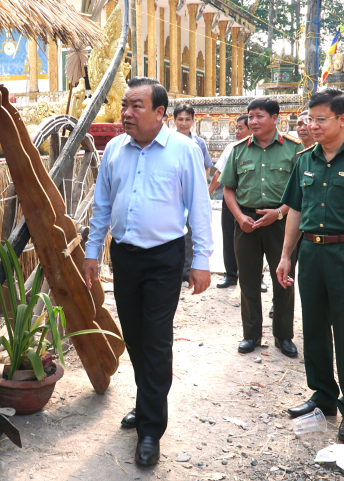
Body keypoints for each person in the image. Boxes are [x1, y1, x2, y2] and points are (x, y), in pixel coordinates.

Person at [82, 77, 213, 467]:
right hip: (124, 256)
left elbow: (200, 208)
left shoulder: (184, 150)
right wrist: (93, 251)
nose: (126, 113)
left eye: (136, 106)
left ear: (160, 113)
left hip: (163, 258)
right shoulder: (115, 152)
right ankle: (146, 403)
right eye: (125, 105)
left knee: (155, 340)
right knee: (135, 336)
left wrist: (202, 261)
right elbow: (102, 206)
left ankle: (151, 429)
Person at [275, 88, 344, 443]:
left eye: (320, 119)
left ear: (342, 119)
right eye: (310, 119)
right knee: (315, 326)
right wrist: (286, 255)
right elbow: (294, 209)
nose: (312, 125)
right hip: (313, 254)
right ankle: (322, 395)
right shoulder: (305, 159)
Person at [220, 98, 304, 357]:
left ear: (275, 118)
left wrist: (279, 212)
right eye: (250, 116)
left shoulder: (295, 149)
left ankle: (283, 336)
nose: (253, 121)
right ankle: (251, 334)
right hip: (246, 222)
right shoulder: (238, 149)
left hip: (282, 221)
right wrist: (239, 217)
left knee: (283, 281)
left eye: (259, 116)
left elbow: (302, 190)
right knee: (247, 279)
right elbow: (228, 189)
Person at [209, 115, 250, 289]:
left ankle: (256, 275)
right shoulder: (231, 148)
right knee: (228, 236)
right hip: (230, 198)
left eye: (240, 128)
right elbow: (218, 173)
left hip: (251, 201)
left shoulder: (264, 149)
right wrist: (208, 193)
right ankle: (231, 274)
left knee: (255, 239)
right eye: (236, 128)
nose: (237, 131)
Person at [174, 103, 214, 282]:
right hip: (175, 194)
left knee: (192, 231)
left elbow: (206, 167)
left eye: (187, 119)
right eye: (180, 119)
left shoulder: (199, 143)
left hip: (193, 193)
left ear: (193, 121)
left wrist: (201, 187)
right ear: (173, 120)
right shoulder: (169, 142)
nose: (184, 123)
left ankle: (188, 269)